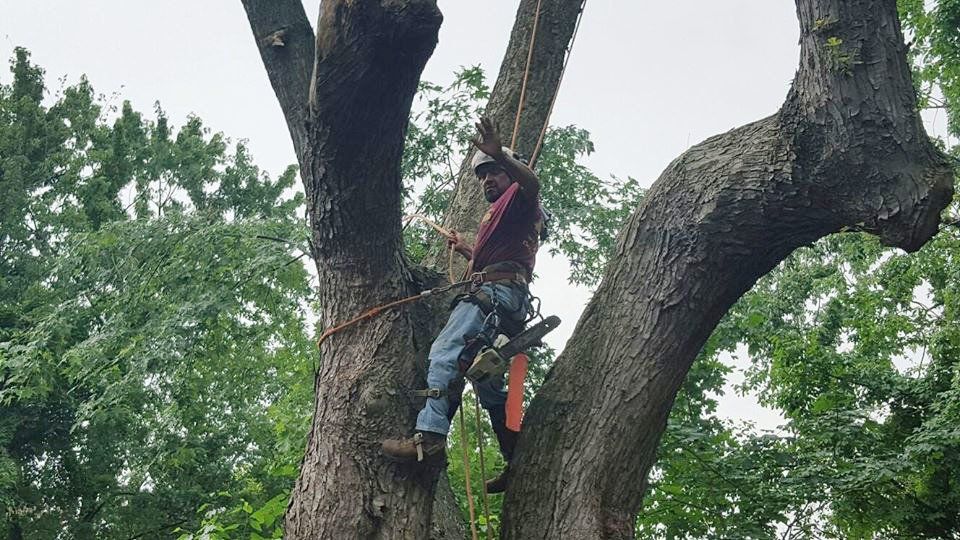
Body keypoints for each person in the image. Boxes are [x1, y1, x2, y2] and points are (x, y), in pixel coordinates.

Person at [382, 117, 543, 493]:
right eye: (482, 175)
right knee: (487, 383)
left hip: (494, 297)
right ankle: (516, 457)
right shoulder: (501, 215)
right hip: (506, 300)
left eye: (494, 173)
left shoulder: (519, 196)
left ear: (509, 174)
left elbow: (532, 184)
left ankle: (430, 435)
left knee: (443, 352)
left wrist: (500, 153)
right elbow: (502, 259)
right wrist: (469, 249)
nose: (488, 179)